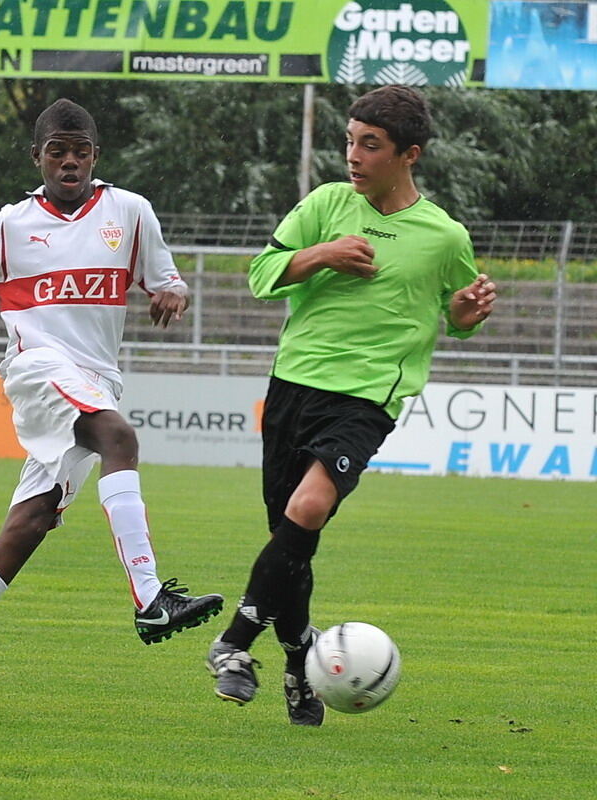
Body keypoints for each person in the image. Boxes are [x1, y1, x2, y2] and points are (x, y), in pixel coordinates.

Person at [0, 98, 223, 708]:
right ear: (38, 157)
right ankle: (150, 600)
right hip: (38, 369)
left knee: (28, 525)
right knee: (120, 439)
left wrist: (174, 295)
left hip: (95, 378)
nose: (69, 160)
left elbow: (168, 280)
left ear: (95, 155)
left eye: (80, 150)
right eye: (57, 151)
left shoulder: (130, 212)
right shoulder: (9, 224)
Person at [205, 85, 496, 726]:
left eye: (370, 144)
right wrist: (322, 255)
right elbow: (261, 275)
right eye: (349, 140)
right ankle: (298, 666)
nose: (353, 156)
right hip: (293, 386)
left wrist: (465, 314)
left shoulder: (443, 235)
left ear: (408, 155)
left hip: (368, 397)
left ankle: (232, 644)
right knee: (291, 542)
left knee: (306, 508)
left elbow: (456, 308)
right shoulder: (327, 204)